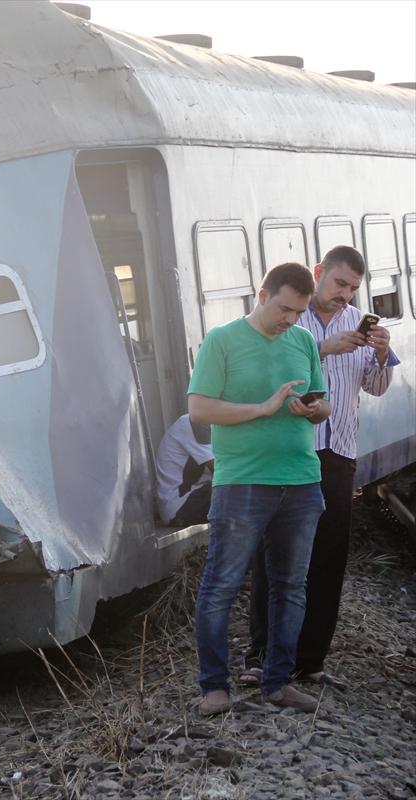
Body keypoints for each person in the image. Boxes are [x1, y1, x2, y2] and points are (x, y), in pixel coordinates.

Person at [242, 246, 399, 689]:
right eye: (339, 283)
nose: (345, 294)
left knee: (328, 558)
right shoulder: (289, 317)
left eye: (353, 288)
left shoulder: (358, 321)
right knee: (275, 555)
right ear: (318, 273)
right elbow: (264, 368)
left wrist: (382, 356)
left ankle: (310, 662)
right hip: (289, 451)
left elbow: (376, 387)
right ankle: (261, 656)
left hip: (339, 452)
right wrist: (324, 350)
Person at [187, 262, 330, 716]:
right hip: (243, 482)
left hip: (301, 480)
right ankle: (214, 688)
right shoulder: (221, 340)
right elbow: (199, 409)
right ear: (262, 294)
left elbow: (324, 402)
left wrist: (313, 410)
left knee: (291, 586)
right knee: (221, 586)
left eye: (299, 312)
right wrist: (263, 408)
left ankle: (277, 682)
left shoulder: (303, 341)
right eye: (285, 308)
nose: (291, 319)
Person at [154, 413, 215, 527]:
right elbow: (221, 471)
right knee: (238, 485)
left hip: (197, 496)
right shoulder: (196, 421)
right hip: (180, 505)